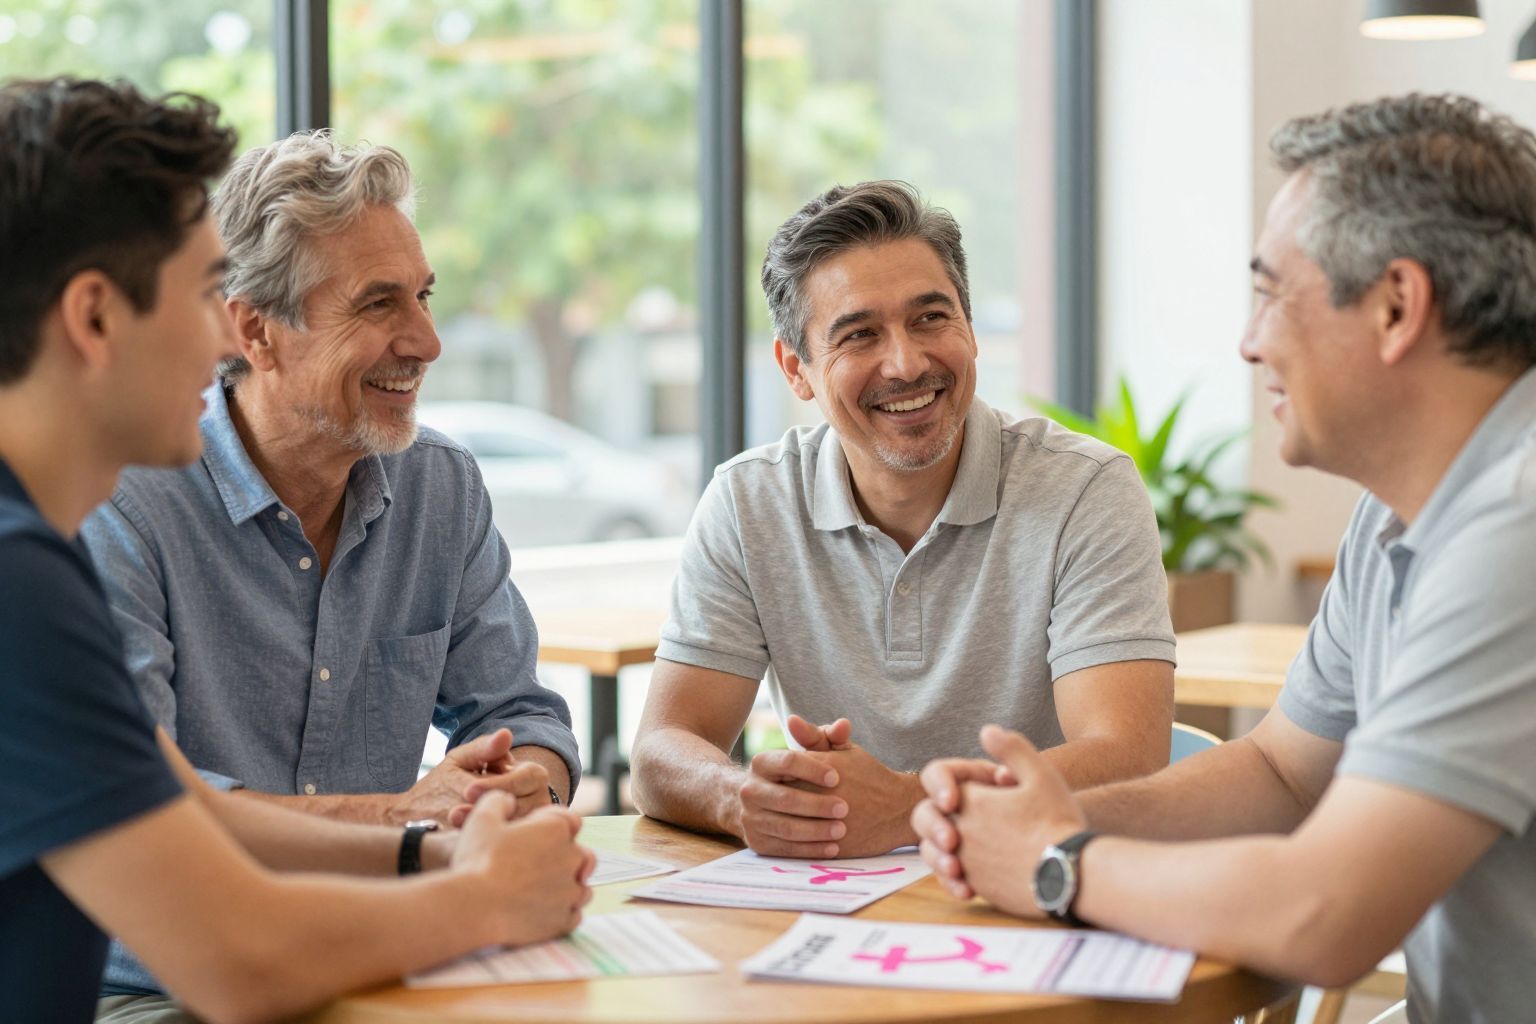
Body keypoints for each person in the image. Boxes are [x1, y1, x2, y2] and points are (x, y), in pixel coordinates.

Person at [912, 93, 1536, 1024]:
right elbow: (1284, 777)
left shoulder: (1516, 528)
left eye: (1271, 293)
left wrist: (1057, 864)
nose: (1250, 344)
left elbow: (1327, 915)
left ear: (1398, 305)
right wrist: (1040, 815)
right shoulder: (1399, 517)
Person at [0, 75, 593, 1024]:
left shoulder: (30, 547)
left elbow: (188, 807)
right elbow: (237, 959)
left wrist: (442, 846)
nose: (218, 341)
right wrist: (476, 887)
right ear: (97, 318)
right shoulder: (21, 576)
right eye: (202, 294)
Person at [630, 180, 1176, 859]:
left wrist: (908, 806)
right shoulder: (749, 501)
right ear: (796, 369)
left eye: (930, 319)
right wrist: (744, 798)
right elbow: (661, 750)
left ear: (970, 330)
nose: (906, 363)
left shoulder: (1083, 489)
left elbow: (1129, 755)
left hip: (1032, 880)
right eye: (860, 334)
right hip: (832, 894)